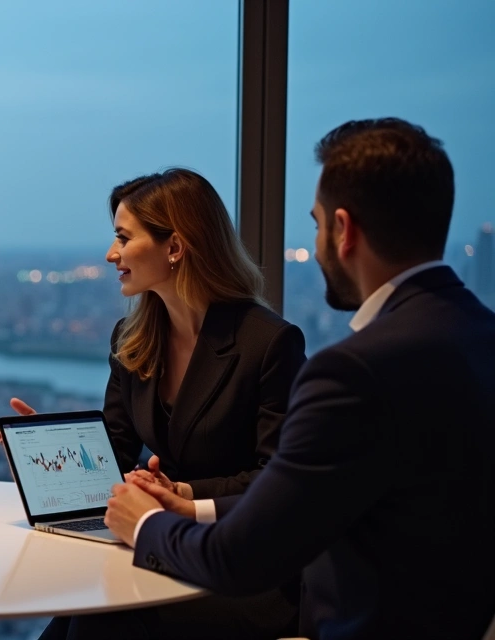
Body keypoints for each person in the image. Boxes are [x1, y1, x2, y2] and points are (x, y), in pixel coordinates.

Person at [107, 118, 495, 639]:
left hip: (339, 622)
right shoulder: (479, 336)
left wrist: (147, 523)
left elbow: (240, 556)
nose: (313, 248)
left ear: (344, 229)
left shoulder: (355, 372)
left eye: (314, 225)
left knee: (105, 615)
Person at [5, 168, 307, 639]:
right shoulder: (132, 340)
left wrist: (182, 495)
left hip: (240, 564)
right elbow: (113, 454)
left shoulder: (267, 343)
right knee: (78, 611)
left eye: (124, 239)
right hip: (160, 547)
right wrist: (48, 448)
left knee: (96, 615)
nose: (111, 255)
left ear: (175, 247)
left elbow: (278, 482)